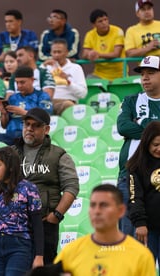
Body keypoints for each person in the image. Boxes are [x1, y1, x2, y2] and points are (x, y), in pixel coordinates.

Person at [12, 107, 79, 264]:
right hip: (13, 226)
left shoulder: (59, 155)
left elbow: (72, 187)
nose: (29, 129)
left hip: (44, 224)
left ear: (46, 129)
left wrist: (56, 215)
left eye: (35, 125)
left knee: (44, 269)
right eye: (26, 124)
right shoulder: (10, 153)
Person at [54, 184, 156, 276]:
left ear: (121, 210)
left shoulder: (141, 255)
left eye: (104, 205)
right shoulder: (70, 252)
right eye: (93, 205)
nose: (97, 211)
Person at [0, 146, 43, 276]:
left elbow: (37, 225)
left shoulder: (29, 188)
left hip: (20, 245)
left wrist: (39, 256)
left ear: (10, 167)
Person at [117, 55, 160, 237]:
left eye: (151, 73)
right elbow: (123, 127)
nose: (145, 78)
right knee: (129, 239)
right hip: (130, 176)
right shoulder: (131, 101)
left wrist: (140, 125)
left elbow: (130, 128)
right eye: (142, 74)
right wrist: (154, 130)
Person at [0, 67, 53, 145]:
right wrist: (4, 114)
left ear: (32, 80)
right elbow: (4, 126)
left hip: (30, 135)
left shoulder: (42, 96)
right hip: (10, 135)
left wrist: (24, 113)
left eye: (22, 82)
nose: (19, 86)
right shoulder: (12, 98)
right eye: (17, 82)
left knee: (18, 137)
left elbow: (45, 118)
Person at [127, 121, 160, 266]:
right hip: (148, 229)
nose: (159, 149)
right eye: (155, 145)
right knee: (146, 269)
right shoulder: (136, 166)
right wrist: (140, 223)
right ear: (146, 143)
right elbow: (135, 197)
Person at [41, 38, 87, 115]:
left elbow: (83, 94)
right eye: (54, 52)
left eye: (59, 52)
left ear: (66, 53)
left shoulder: (76, 68)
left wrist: (68, 82)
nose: (56, 55)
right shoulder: (45, 67)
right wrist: (42, 67)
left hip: (67, 102)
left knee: (68, 105)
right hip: (48, 102)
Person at [82, 9, 126, 81]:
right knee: (88, 83)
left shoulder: (118, 31)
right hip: (99, 75)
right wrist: (90, 54)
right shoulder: (89, 35)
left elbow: (116, 54)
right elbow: (84, 54)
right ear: (93, 25)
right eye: (100, 21)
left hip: (119, 75)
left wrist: (98, 55)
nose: (104, 23)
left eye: (105, 20)